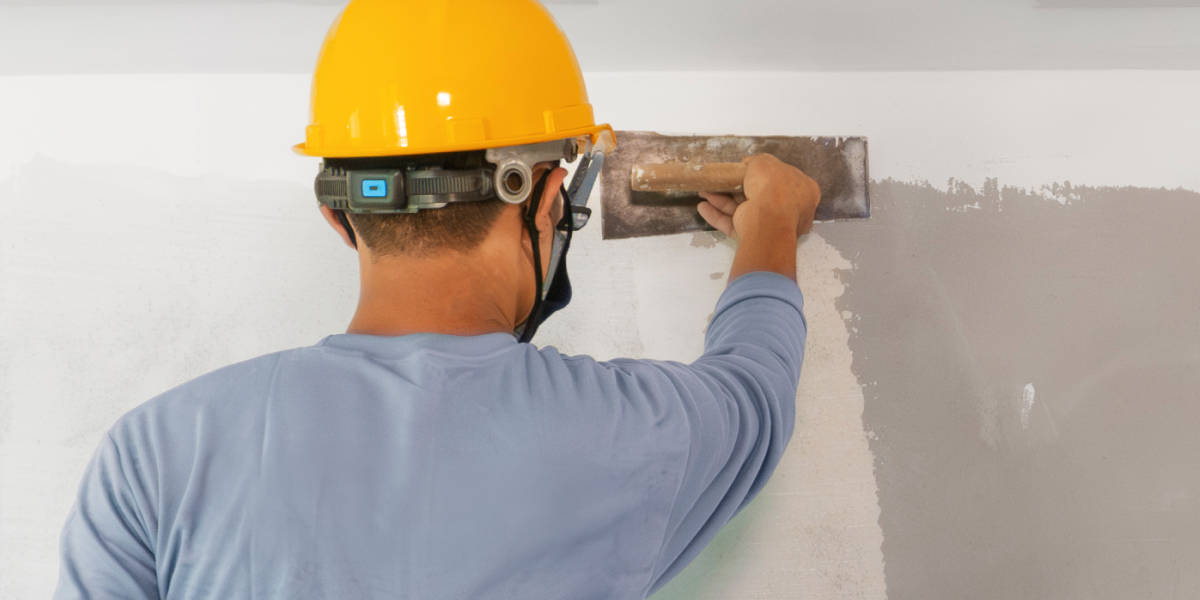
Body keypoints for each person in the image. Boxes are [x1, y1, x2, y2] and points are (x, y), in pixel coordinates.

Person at [52, 0, 821, 598]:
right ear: (549, 201)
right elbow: (755, 387)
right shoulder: (633, 433)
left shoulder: (152, 455)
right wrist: (774, 222)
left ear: (337, 217)